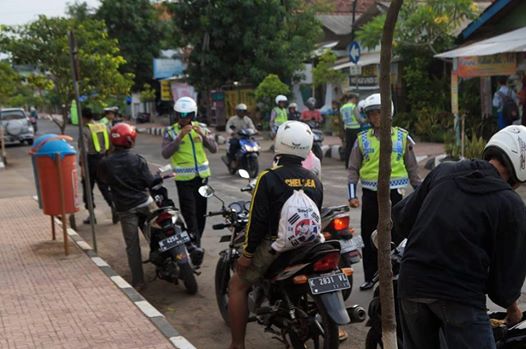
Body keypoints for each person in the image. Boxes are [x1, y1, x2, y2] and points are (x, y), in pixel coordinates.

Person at [392, 125, 526, 349]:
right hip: (459, 296)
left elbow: (403, 218)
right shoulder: (510, 204)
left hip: (412, 284)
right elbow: (505, 279)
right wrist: (511, 307)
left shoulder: (444, 171)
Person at [228, 121, 323, 349]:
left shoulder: (268, 178)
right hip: (307, 244)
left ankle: (237, 344)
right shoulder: (314, 179)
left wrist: (247, 254)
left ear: (280, 143)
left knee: (237, 285)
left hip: (274, 246)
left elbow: (257, 222)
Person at [348, 93, 421, 291]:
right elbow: (353, 168)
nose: (375, 117)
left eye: (379, 113)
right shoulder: (362, 140)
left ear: (389, 113)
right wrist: (352, 194)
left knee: (398, 234)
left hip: (396, 195)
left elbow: (413, 169)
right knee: (369, 235)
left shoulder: (402, 137)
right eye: (371, 114)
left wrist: (422, 193)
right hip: (371, 195)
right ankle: (371, 275)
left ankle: (395, 273)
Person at [97, 123, 159, 290]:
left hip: (125, 208)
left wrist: (115, 197)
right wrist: (159, 177)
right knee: (159, 233)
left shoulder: (105, 163)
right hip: (145, 203)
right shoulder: (137, 159)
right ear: (130, 140)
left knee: (132, 246)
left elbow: (104, 182)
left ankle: (138, 281)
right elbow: (150, 182)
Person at [161, 96, 217, 250]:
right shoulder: (170, 131)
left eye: (187, 115)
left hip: (202, 179)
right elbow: (165, 153)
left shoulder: (202, 127)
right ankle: (195, 248)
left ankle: (195, 241)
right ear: (176, 115)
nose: (184, 118)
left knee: (201, 215)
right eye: (180, 115)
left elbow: (214, 148)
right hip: (184, 181)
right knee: (190, 215)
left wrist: (203, 136)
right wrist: (180, 137)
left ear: (194, 114)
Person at [79, 107, 117, 225]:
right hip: (104, 159)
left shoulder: (85, 130)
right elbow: (112, 144)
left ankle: (91, 215)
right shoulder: (102, 126)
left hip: (90, 161)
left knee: (87, 188)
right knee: (105, 186)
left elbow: (84, 151)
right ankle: (114, 207)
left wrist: (83, 168)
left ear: (83, 117)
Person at [340, 94, 361, 168]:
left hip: (347, 129)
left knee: (348, 147)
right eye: (356, 99)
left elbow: (342, 119)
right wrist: (365, 121)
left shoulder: (342, 108)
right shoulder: (353, 107)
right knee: (356, 147)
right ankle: (356, 164)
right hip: (355, 128)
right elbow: (359, 118)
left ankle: (347, 164)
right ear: (353, 98)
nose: (356, 101)